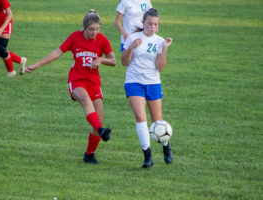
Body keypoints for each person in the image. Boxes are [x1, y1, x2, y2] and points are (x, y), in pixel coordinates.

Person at [26, 10, 116, 164]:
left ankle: (89, 155)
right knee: (85, 100)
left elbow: (113, 60)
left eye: (97, 29)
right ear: (84, 28)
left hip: (94, 82)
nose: (94, 33)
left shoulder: (102, 40)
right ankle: (101, 130)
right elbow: (57, 53)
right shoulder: (75, 37)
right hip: (77, 80)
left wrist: (100, 60)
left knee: (98, 121)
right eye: (91, 29)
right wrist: (36, 65)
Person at [121, 8, 173, 168]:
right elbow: (124, 62)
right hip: (134, 81)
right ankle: (147, 156)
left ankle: (166, 147)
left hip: (153, 82)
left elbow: (160, 67)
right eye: (149, 24)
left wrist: (164, 49)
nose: (152, 27)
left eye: (155, 24)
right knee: (140, 117)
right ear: (143, 23)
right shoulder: (133, 38)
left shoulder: (159, 41)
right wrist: (131, 47)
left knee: (157, 120)